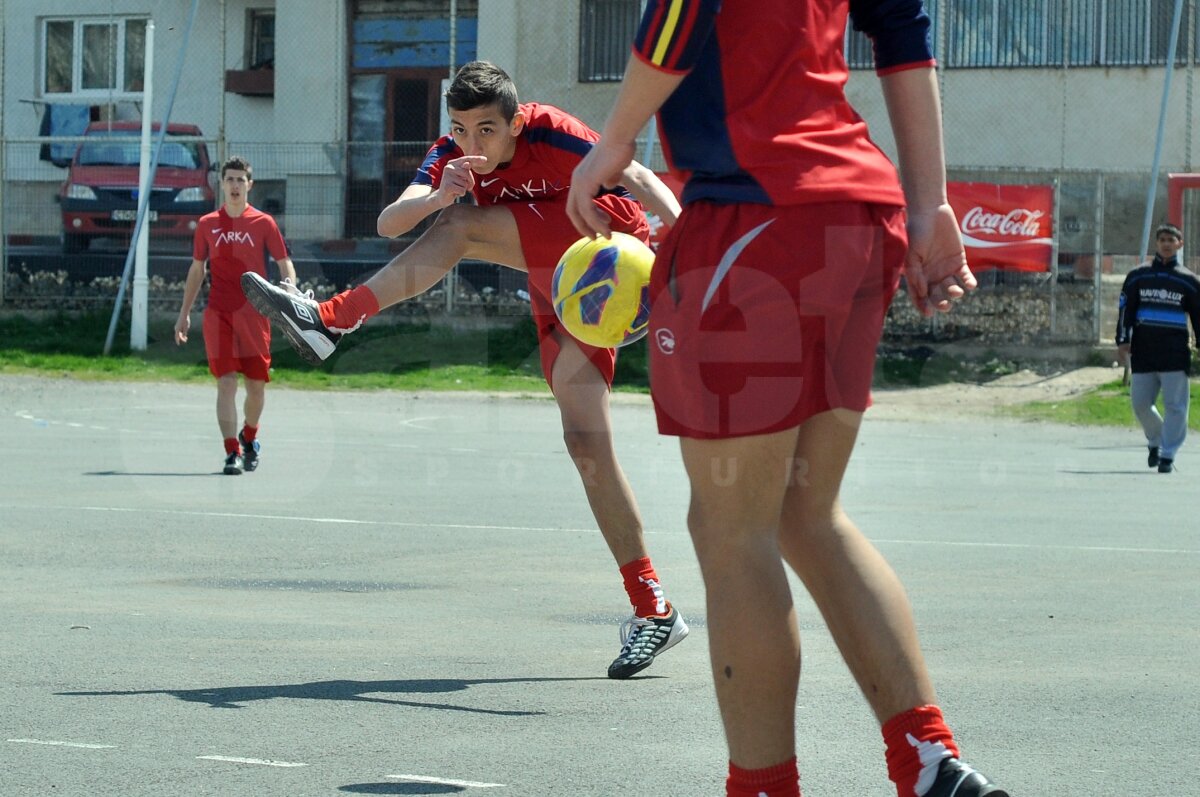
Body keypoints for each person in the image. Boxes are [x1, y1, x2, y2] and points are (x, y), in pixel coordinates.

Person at [567, 2, 1007, 796]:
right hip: (858, 213)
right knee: (807, 511)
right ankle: (929, 760)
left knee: (730, 523)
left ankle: (764, 785)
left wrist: (616, 136)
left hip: (756, 211)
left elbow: (678, 13)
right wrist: (930, 200)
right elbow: (904, 31)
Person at [241, 61, 688, 679]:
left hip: (608, 249)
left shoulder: (551, 131)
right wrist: (440, 191)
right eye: (460, 129)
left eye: (486, 131)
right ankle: (654, 608)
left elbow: (634, 173)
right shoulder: (451, 155)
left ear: (515, 122)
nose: (472, 145)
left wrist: (681, 241)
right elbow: (389, 222)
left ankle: (332, 318)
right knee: (586, 444)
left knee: (460, 229)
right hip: (559, 285)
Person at [175, 156, 296, 475]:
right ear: (222, 184)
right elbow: (197, 269)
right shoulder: (207, 224)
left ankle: (249, 436)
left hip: (255, 314)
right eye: (229, 179)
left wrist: (290, 292)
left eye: (240, 180)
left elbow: (284, 263)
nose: (234, 185)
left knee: (256, 386)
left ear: (249, 185)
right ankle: (231, 452)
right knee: (226, 384)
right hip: (219, 314)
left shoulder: (263, 223)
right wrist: (184, 313)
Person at [1116, 222, 1200, 474]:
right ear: (1157, 243)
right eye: (1162, 239)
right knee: (1141, 403)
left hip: (1175, 352)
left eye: (1171, 240)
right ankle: (1156, 440)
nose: (1166, 244)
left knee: (1176, 406)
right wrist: (1122, 341)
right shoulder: (1137, 276)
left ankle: (1167, 454)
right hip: (1143, 350)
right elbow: (1125, 311)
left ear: (1179, 245)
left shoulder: (1189, 281)